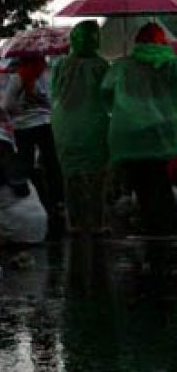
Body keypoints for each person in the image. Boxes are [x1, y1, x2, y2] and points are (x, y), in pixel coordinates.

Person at [101, 22, 177, 235]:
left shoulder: (122, 65)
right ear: (162, 40)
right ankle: (165, 228)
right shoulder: (171, 64)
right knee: (160, 180)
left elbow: (106, 93)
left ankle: (151, 225)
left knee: (140, 183)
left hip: (128, 134)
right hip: (161, 132)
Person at [51, 21, 111, 234]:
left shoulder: (60, 65)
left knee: (71, 175)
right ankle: (97, 222)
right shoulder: (102, 65)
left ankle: (75, 222)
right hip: (96, 125)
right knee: (97, 176)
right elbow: (109, 95)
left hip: (64, 125)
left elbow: (53, 94)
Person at [6, 55, 65, 237]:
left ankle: (34, 199)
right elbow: (53, 101)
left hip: (22, 127)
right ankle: (58, 201)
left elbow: (7, 105)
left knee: (26, 165)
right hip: (46, 124)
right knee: (52, 163)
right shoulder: (48, 75)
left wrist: (21, 107)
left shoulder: (17, 77)